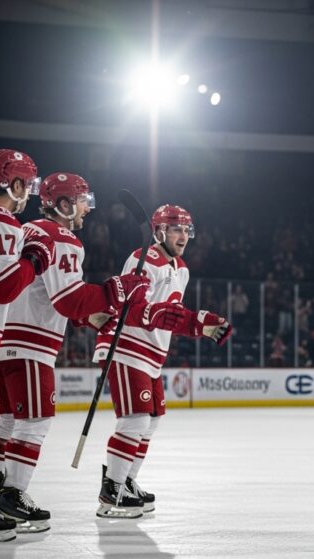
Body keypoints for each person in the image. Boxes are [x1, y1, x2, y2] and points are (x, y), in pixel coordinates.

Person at [0, 173, 149, 533]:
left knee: (7, 422)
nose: (86, 209)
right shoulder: (61, 238)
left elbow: (48, 295)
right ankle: (12, 495)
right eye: (81, 201)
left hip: (4, 341)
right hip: (31, 346)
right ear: (63, 205)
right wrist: (117, 289)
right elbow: (68, 300)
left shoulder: (27, 229)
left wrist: (93, 316)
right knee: (35, 421)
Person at [91, 204, 233, 519]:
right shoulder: (142, 259)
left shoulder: (181, 268)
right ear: (159, 231)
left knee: (151, 421)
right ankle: (111, 489)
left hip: (152, 353)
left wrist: (199, 324)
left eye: (186, 229)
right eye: (176, 229)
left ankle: (127, 480)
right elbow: (131, 307)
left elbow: (170, 315)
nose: (183, 235)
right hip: (127, 347)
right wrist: (166, 316)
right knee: (135, 420)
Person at [0, 149, 56, 544]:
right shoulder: (0, 220)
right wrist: (34, 261)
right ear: (13, 184)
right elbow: (2, 288)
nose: (29, 191)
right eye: (27, 184)